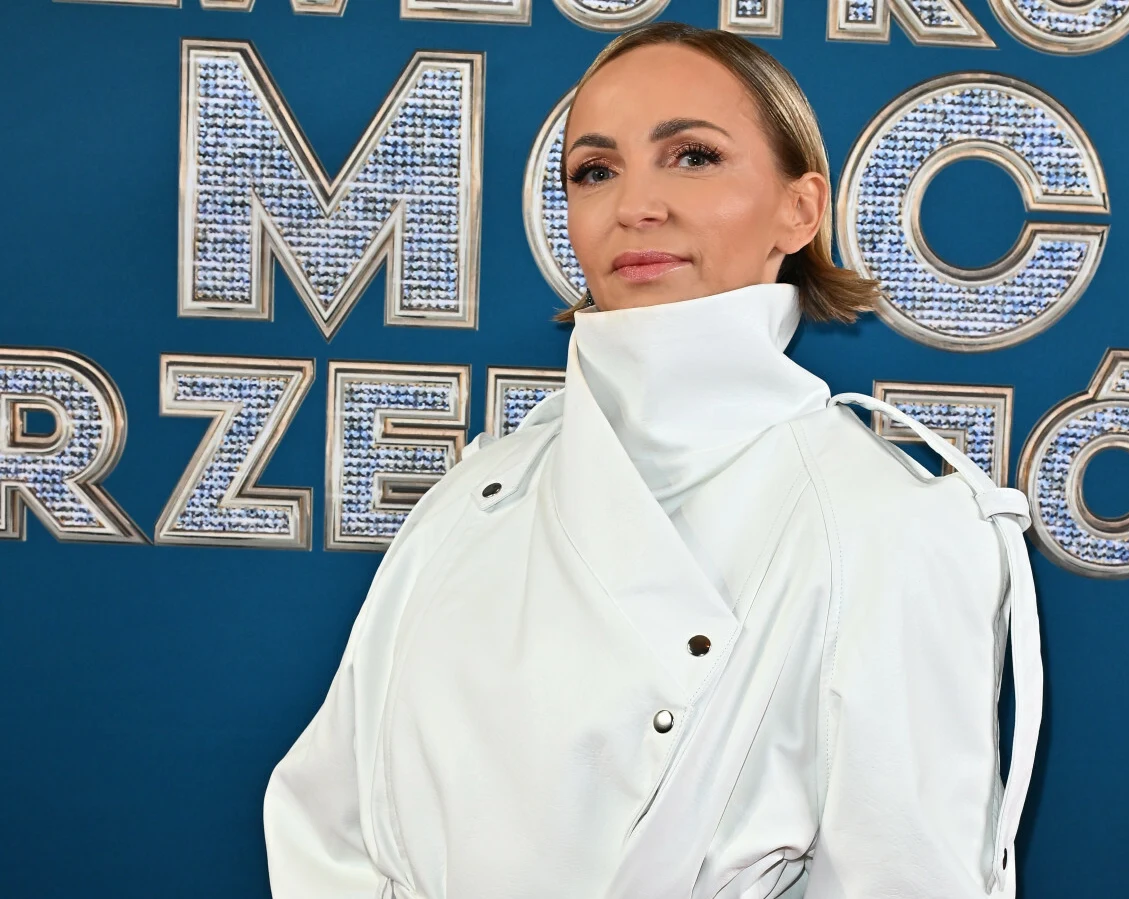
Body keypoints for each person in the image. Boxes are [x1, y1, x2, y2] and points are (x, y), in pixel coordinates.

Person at [263, 21, 1041, 899]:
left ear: (799, 209)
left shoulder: (889, 527)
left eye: (692, 157)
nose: (636, 204)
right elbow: (327, 825)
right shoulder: (476, 491)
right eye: (595, 170)